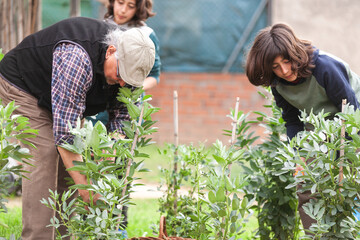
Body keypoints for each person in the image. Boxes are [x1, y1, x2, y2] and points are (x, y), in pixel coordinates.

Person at [0, 16, 155, 240]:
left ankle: (63, 236)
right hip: (23, 86)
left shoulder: (132, 63)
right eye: (120, 75)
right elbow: (66, 136)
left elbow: (123, 117)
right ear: (111, 51)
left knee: (70, 170)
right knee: (45, 156)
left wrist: (110, 153)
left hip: (60, 98)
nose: (122, 83)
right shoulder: (76, 58)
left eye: (129, 80)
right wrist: (88, 192)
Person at [245, 23, 360, 231]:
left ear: (294, 53)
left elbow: (352, 113)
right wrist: (299, 155)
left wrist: (343, 160)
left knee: (353, 185)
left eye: (286, 61)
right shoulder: (278, 84)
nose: (285, 70)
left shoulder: (325, 67)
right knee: (306, 185)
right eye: (275, 66)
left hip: (353, 121)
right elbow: (292, 121)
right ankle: (316, 235)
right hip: (319, 129)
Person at [87, 0, 161, 126]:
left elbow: (154, 76)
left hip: (127, 102)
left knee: (121, 138)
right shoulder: (101, 27)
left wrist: (130, 86)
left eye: (130, 6)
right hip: (100, 100)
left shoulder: (146, 34)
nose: (123, 10)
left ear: (139, 8)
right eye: (120, 3)